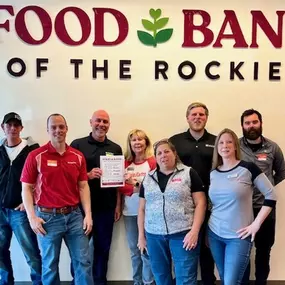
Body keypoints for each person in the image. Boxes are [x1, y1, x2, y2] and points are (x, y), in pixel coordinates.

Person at [21, 113, 93, 285]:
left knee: (83, 262)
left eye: (61, 126)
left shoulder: (77, 156)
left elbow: (83, 186)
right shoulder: (36, 156)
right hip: (47, 218)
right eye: (53, 127)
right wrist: (32, 217)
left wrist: (88, 215)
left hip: (74, 216)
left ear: (67, 129)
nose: (58, 130)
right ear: (47, 130)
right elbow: (26, 188)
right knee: (50, 265)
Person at [208, 128, 277, 285]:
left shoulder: (248, 168)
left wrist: (256, 224)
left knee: (231, 282)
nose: (225, 146)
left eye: (229, 142)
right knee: (225, 278)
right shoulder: (213, 173)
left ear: (235, 146)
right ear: (217, 147)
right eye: (221, 142)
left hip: (238, 237)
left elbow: (271, 195)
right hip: (214, 234)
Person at [138, 139, 206, 285]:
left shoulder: (188, 173)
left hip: (183, 234)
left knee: (186, 278)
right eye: (159, 153)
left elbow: (201, 203)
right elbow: (142, 209)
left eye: (167, 151)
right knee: (161, 277)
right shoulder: (148, 178)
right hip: (154, 236)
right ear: (155, 157)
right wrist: (141, 236)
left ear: (174, 153)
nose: (163, 155)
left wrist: (194, 232)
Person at [70, 110, 123, 285]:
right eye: (98, 121)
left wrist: (117, 206)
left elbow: (117, 182)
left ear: (109, 125)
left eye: (105, 121)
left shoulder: (115, 148)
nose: (101, 124)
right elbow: (69, 177)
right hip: (80, 209)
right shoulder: (77, 145)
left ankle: (100, 282)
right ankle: (78, 281)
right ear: (90, 122)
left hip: (106, 209)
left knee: (102, 249)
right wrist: (87, 175)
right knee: (79, 251)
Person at [169, 102, 216, 285]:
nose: (198, 117)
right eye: (194, 114)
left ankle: (208, 281)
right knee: (180, 247)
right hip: (180, 203)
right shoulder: (175, 140)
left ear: (206, 118)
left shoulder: (217, 140)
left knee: (206, 247)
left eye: (201, 115)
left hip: (210, 203)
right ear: (187, 117)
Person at [239, 109, 285, 285]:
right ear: (242, 126)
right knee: (241, 250)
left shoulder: (273, 148)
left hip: (265, 208)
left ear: (261, 123)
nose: (251, 126)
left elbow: (281, 173)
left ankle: (260, 282)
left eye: (254, 122)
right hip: (241, 208)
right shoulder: (235, 146)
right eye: (247, 123)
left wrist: (268, 188)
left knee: (264, 250)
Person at [0, 112, 42, 285]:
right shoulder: (0, 150)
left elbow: (41, 179)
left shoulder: (32, 151)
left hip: (21, 212)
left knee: (31, 253)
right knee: (1, 253)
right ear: (3, 128)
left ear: (21, 128)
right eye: (9, 125)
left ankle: (39, 283)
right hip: (1, 212)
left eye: (16, 125)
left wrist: (29, 202)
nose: (12, 128)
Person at [119, 129, 156, 285]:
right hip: (130, 212)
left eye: (140, 139)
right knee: (135, 251)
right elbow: (119, 185)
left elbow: (154, 187)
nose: (137, 142)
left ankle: (148, 281)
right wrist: (136, 188)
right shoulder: (125, 163)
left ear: (146, 142)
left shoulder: (153, 162)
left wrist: (134, 185)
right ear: (130, 144)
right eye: (133, 140)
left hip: (149, 213)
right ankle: (137, 281)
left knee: (146, 250)